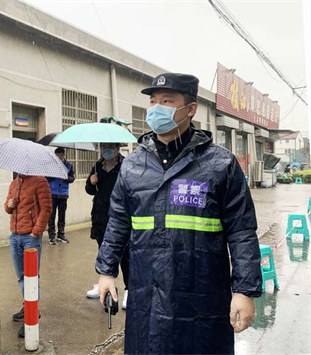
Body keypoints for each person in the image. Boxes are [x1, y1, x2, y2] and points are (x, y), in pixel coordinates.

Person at [96, 73, 262, 354]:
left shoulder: (220, 164)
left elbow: (242, 230)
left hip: (203, 294)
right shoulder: (135, 163)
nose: (156, 108)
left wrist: (244, 290)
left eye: (167, 101)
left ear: (190, 109)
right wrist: (106, 271)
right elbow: (118, 221)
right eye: (153, 101)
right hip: (146, 291)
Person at [4, 174, 52, 338]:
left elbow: (46, 208)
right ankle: (27, 305)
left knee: (31, 276)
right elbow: (7, 207)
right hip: (15, 236)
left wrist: (35, 233)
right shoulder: (14, 183)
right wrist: (9, 205)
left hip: (30, 237)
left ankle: (32, 315)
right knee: (20, 275)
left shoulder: (40, 182)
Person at [85, 143, 130, 309]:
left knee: (125, 255)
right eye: (103, 147)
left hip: (120, 216)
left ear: (118, 149)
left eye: (110, 147)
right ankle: (102, 284)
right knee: (102, 251)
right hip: (100, 216)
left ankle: (129, 289)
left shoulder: (126, 165)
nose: (106, 150)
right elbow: (90, 190)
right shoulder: (98, 166)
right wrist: (91, 182)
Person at [47, 147, 75, 245]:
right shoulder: (51, 165)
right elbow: (46, 178)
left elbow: (72, 178)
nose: (59, 157)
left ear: (63, 155)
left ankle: (61, 234)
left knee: (62, 215)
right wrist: (55, 174)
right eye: (57, 155)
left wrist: (66, 177)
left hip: (63, 194)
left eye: (60, 155)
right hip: (52, 193)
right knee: (51, 216)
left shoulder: (69, 165)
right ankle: (51, 236)